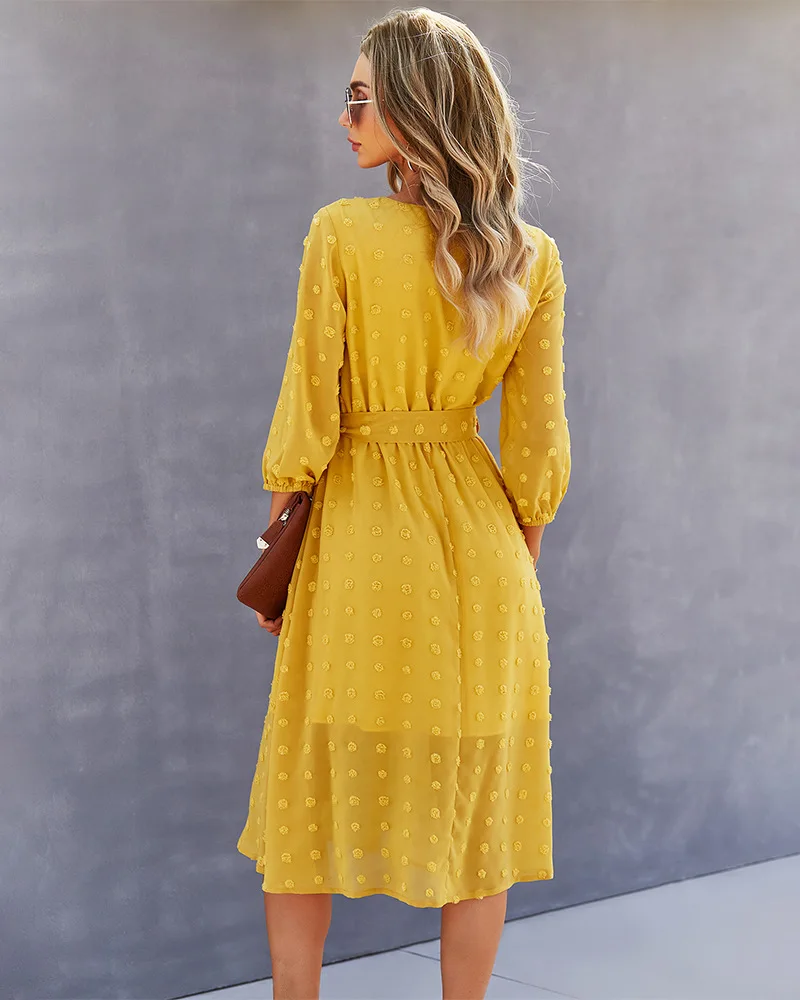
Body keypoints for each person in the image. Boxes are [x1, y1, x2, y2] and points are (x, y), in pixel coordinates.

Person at [236, 7, 571, 999]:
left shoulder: (340, 233)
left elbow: (306, 418)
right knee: (476, 814)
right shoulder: (530, 256)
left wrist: (277, 555)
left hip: (359, 539)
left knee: (307, 799)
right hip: (482, 552)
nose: (344, 117)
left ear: (416, 109)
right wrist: (517, 561)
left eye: (360, 98)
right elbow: (536, 448)